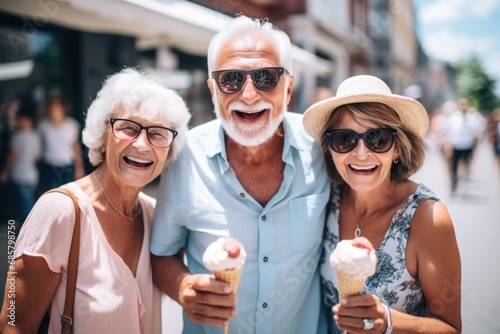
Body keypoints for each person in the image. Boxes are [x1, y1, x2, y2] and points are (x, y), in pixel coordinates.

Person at [151, 15, 330, 334]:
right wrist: (183, 287)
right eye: (231, 79)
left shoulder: (323, 150)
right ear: (212, 90)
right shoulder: (183, 156)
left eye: (265, 77)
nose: (248, 95)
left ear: (288, 88)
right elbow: (162, 255)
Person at [0, 68, 191, 333]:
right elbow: (13, 325)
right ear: (102, 134)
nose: (142, 145)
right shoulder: (60, 210)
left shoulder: (155, 215)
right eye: (128, 128)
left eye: (158, 133)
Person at [303, 75, 462, 333]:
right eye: (345, 139)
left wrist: (388, 321)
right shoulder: (327, 199)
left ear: (397, 148)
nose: (362, 153)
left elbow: (451, 327)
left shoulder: (428, 217)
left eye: (378, 139)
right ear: (330, 149)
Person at [0, 107, 41, 222]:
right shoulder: (35, 136)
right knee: (28, 202)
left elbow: (12, 156)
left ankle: (29, 229)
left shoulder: (17, 137)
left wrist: (5, 172)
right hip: (32, 175)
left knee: (25, 205)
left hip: (20, 174)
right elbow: (36, 157)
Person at [37, 96, 85, 192]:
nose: (53, 110)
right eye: (50, 108)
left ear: (63, 109)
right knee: (53, 193)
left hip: (67, 164)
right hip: (50, 164)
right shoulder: (42, 125)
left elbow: (75, 146)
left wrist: (79, 167)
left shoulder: (72, 125)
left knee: (69, 192)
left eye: (56, 107)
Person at [441, 98, 484, 193]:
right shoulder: (453, 118)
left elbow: (476, 132)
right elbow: (446, 131)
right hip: (456, 145)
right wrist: (448, 144)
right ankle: (454, 184)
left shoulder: (471, 118)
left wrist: (474, 145)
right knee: (454, 166)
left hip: (467, 145)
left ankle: (464, 182)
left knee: (465, 165)